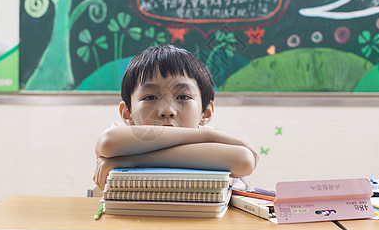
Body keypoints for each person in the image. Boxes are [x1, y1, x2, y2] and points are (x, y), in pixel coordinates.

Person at [93, 45, 258, 190]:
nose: (167, 111)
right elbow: (107, 143)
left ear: (205, 112)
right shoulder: (126, 139)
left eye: (183, 97)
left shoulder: (126, 153)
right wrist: (211, 135)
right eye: (150, 97)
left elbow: (244, 161)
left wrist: (132, 160)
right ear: (127, 113)